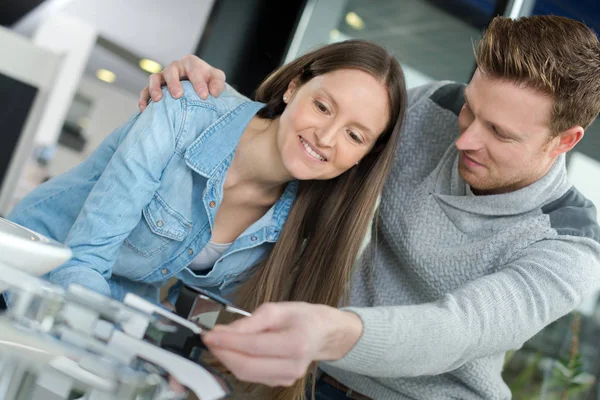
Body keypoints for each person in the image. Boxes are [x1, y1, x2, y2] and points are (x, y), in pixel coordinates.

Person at [141, 15, 600, 400]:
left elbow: (458, 329)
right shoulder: (431, 108)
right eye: (470, 108)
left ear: (565, 141)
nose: (464, 138)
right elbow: (311, 142)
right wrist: (201, 101)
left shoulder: (570, 245)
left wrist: (328, 331)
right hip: (311, 372)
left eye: (499, 133)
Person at [5, 40, 406, 398]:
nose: (327, 137)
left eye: (355, 135)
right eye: (323, 107)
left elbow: (200, 314)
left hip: (106, 318)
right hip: (27, 276)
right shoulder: (184, 111)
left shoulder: (299, 222)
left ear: (364, 156)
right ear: (294, 86)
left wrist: (176, 365)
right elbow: (83, 259)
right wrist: (128, 355)